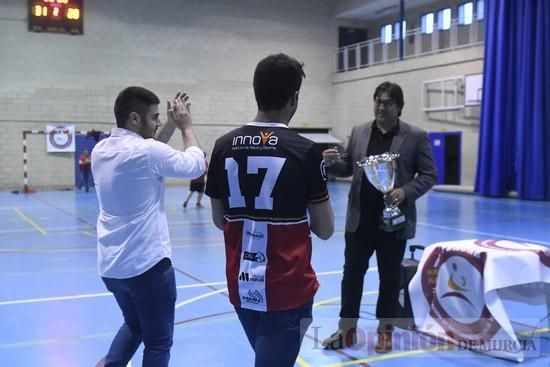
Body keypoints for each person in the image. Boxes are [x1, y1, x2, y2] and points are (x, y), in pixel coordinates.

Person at [205, 53, 335, 367]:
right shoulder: (305, 151)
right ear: (294, 98)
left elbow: (218, 219)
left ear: (256, 91)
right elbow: (325, 229)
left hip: (241, 284)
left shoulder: (223, 146)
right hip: (287, 289)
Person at [92, 86, 206, 367]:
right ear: (134, 118)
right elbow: (196, 165)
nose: (157, 124)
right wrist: (185, 127)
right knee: (158, 342)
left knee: (134, 325)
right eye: (154, 118)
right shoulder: (145, 152)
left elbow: (152, 151)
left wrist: (168, 123)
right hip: (147, 267)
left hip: (112, 267)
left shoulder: (101, 149)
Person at [321, 81, 437, 353]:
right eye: (377, 101)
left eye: (387, 103)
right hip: (359, 221)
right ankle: (346, 330)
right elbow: (347, 166)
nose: (381, 107)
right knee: (351, 277)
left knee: (389, 279)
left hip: (393, 224)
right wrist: (330, 163)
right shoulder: (359, 131)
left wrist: (405, 192)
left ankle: (385, 331)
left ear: (399, 107)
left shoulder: (416, 136)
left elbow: (430, 174)